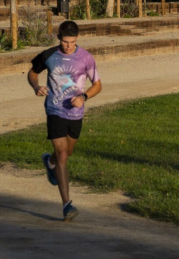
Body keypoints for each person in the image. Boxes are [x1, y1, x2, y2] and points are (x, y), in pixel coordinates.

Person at [28, 20, 102, 222]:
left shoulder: (86, 58)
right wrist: (36, 87)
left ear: (77, 39)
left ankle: (50, 162)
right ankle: (67, 205)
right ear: (59, 38)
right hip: (54, 110)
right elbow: (33, 73)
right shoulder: (49, 55)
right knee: (62, 154)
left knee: (67, 152)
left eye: (72, 42)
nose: (68, 46)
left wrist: (84, 97)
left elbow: (97, 85)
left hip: (76, 113)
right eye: (65, 42)